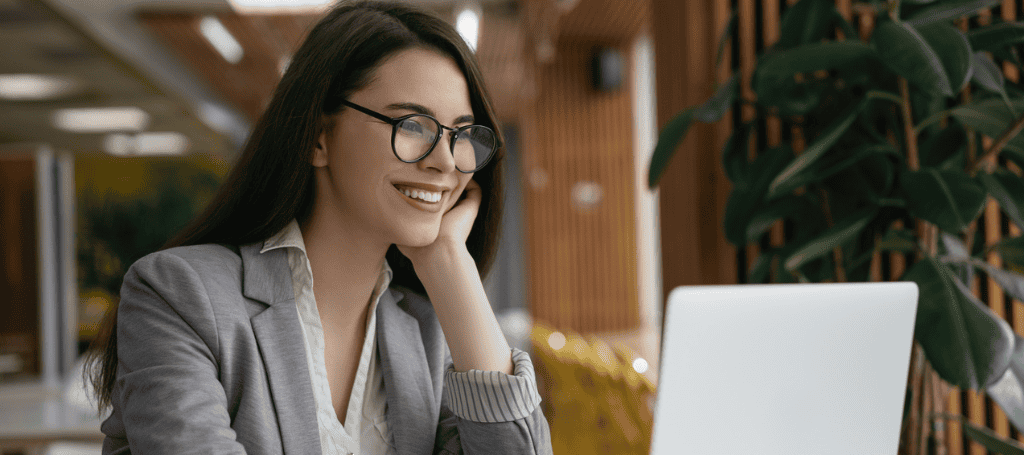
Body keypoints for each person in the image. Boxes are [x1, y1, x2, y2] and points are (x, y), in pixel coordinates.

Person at [84, 1, 553, 453]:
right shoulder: (179, 296)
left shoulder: (431, 335)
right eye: (413, 124)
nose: (446, 161)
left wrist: (452, 266)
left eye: (461, 134)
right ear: (318, 136)